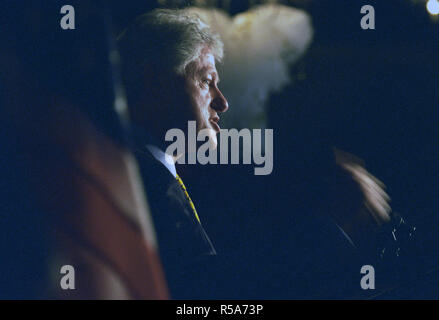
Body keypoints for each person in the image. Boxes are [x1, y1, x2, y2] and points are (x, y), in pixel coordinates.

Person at [117, 9, 230, 298]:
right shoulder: (143, 182)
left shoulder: (139, 167)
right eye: (206, 82)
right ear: (155, 81)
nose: (222, 102)